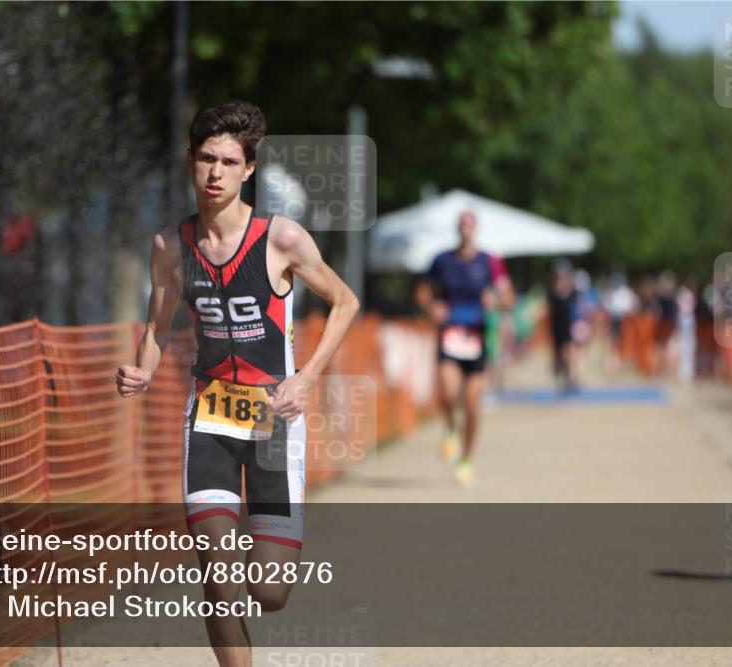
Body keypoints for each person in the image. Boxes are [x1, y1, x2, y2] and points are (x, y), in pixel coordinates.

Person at [116, 101, 359, 667]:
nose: (216, 172)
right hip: (209, 422)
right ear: (191, 162)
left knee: (269, 593)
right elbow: (156, 327)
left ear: (249, 169)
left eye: (229, 161)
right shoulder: (170, 249)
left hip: (275, 423)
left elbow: (345, 302)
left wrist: (305, 377)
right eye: (206, 159)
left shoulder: (282, 239)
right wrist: (142, 370)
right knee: (219, 581)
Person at [414, 211, 513, 486]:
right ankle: (450, 430)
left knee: (471, 405)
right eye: (462, 223)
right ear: (458, 228)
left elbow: (508, 295)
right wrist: (431, 306)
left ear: (476, 228)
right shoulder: (442, 260)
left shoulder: (490, 262)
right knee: (446, 392)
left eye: (470, 223)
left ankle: (466, 459)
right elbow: (422, 290)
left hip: (478, 339)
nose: (466, 228)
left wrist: (495, 299)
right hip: (450, 336)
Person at [548, 260, 577, 395]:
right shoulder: (552, 293)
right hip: (556, 327)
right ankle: (560, 377)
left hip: (567, 327)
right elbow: (550, 311)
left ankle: (568, 379)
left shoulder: (570, 291)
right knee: (558, 355)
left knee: (568, 352)